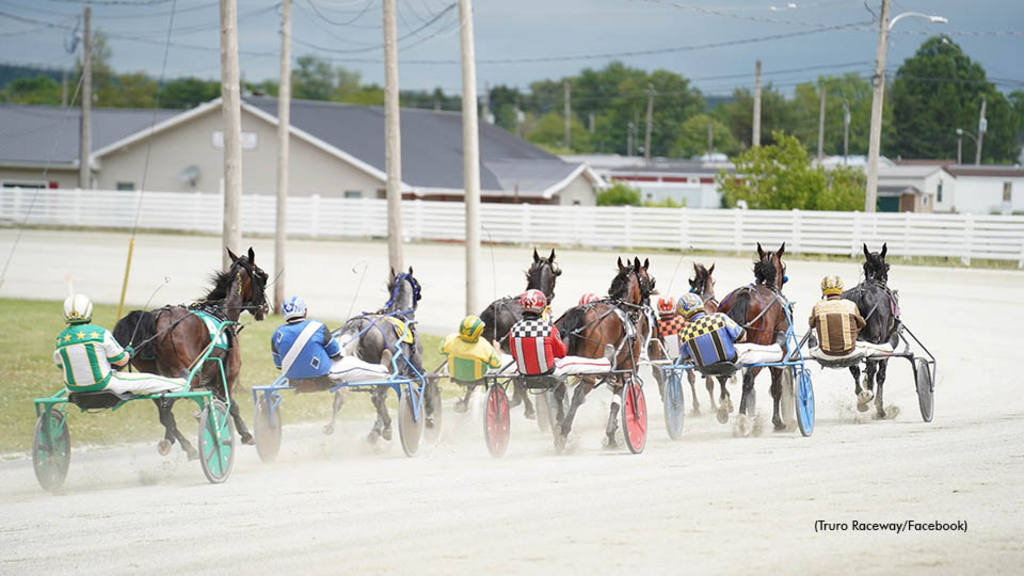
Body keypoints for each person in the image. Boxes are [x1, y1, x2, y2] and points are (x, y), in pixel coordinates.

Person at [54, 294, 185, 396]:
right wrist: (128, 353)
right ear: (89, 312)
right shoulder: (100, 334)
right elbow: (120, 360)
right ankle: (183, 384)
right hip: (105, 384)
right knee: (152, 380)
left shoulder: (60, 340)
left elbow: (62, 365)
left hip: (73, 389)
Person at [271, 296, 388, 386]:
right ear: (304, 311)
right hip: (322, 374)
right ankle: (383, 370)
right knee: (354, 363)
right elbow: (336, 355)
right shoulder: (317, 327)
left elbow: (279, 365)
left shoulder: (277, 334)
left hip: (292, 377)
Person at [439, 315, 503, 412]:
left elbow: (441, 349)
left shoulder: (451, 339)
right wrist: (497, 350)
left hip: (455, 375)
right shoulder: (484, 346)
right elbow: (496, 364)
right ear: (480, 332)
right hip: (478, 377)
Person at [675, 292, 745, 369]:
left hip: (704, 368)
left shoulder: (684, 333)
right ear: (700, 303)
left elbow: (686, 356)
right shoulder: (720, 317)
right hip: (730, 361)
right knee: (753, 350)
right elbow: (742, 337)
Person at [509, 289, 567, 375]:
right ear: (542, 307)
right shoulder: (549, 328)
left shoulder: (514, 329)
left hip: (524, 372)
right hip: (547, 371)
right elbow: (561, 354)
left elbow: (514, 356)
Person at [809, 275, 866, 357]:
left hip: (825, 354)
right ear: (841, 288)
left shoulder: (818, 307)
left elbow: (811, 324)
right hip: (849, 352)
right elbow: (862, 324)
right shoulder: (851, 305)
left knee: (812, 348)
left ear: (823, 289)